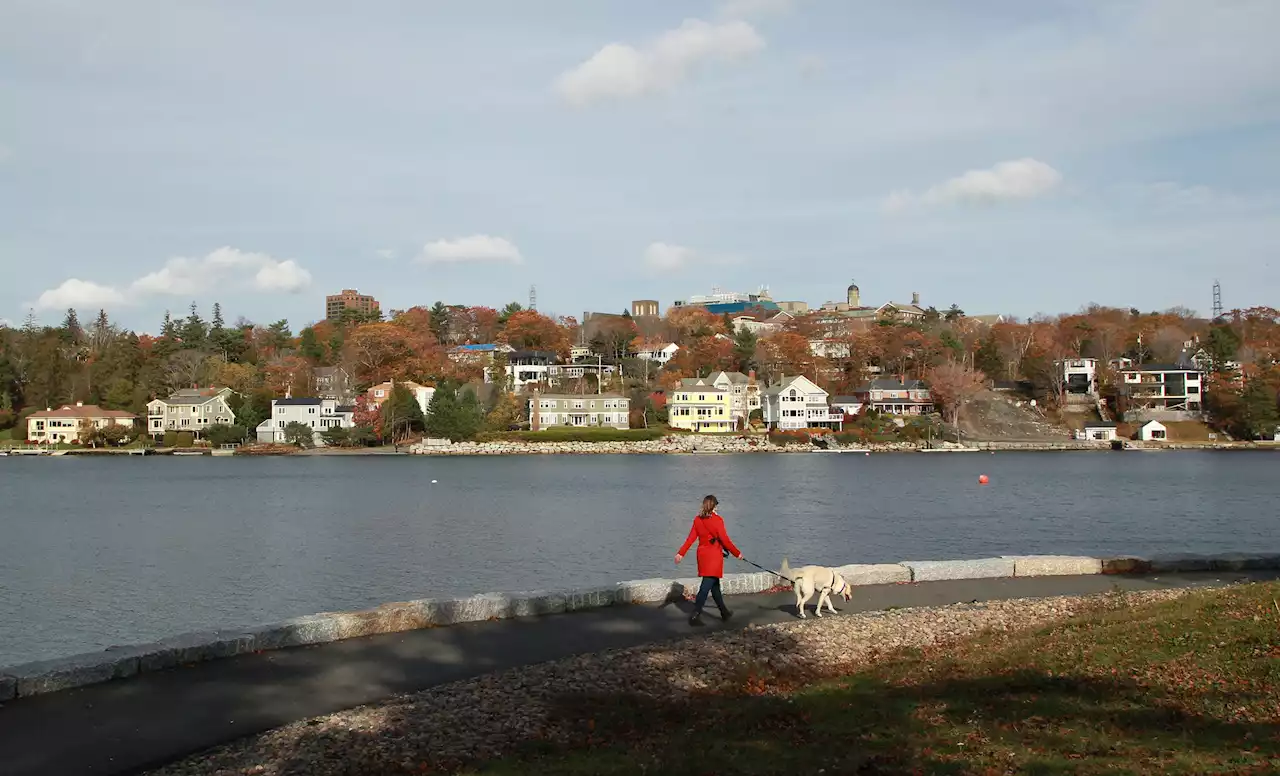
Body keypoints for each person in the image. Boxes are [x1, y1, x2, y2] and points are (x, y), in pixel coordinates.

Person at [674, 494, 742, 626]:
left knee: (714, 586)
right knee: (705, 587)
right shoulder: (718, 520)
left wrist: (680, 553)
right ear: (714, 506)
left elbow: (690, 539)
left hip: (702, 555)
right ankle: (695, 615)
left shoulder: (697, 520)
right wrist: (737, 553)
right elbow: (725, 540)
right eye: (716, 505)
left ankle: (724, 612)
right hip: (714, 557)